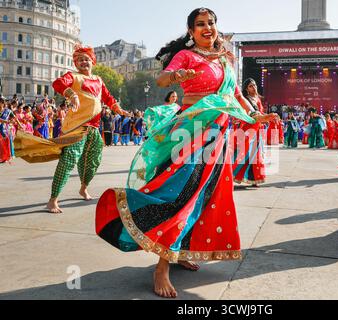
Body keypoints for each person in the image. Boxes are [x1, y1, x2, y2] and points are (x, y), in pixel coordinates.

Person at [95, 7, 278, 299]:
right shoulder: (187, 56)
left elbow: (237, 96)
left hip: (219, 134)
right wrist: (176, 74)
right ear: (191, 31)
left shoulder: (225, 60)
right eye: (200, 24)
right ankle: (162, 266)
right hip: (191, 131)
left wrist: (257, 117)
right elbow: (163, 79)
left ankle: (179, 251)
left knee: (205, 194)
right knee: (183, 193)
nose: (207, 28)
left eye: (211, 23)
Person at [14, 44, 129, 214]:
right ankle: (53, 200)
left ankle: (83, 187)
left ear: (93, 61)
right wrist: (71, 94)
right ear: (76, 64)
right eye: (79, 60)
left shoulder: (98, 80)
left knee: (93, 161)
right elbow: (58, 83)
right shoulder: (73, 77)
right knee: (68, 161)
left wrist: (119, 109)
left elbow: (108, 97)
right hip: (77, 128)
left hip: (93, 128)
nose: (83, 62)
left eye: (86, 59)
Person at [233, 78, 270, 187]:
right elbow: (243, 113)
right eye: (250, 86)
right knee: (245, 153)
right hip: (248, 128)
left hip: (258, 128)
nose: (254, 87)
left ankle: (254, 178)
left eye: (254, 85)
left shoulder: (257, 99)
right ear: (246, 89)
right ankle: (231, 174)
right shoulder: (246, 99)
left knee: (256, 154)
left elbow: (261, 113)